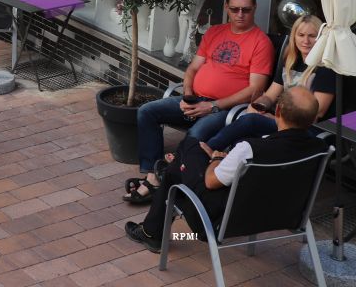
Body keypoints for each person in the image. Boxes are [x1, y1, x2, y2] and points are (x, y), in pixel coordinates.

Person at [124, 86, 328, 252]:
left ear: (277, 111)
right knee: (177, 170)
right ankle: (153, 224)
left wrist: (215, 158)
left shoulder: (250, 150)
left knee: (188, 149)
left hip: (221, 221)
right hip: (281, 216)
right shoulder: (321, 149)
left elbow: (210, 182)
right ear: (312, 119)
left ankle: (153, 228)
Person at [127, 0, 274, 204]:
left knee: (194, 137)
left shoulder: (261, 42)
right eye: (235, 9)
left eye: (246, 9)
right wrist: (188, 95)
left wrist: (213, 106)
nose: (240, 14)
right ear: (226, 8)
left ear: (254, 8)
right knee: (147, 111)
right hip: (196, 100)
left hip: (224, 110)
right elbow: (193, 68)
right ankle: (153, 175)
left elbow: (255, 90)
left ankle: (172, 183)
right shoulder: (214, 32)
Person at [203, 14, 334, 153]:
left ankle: (208, 149)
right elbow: (270, 95)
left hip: (304, 129)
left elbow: (316, 113)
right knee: (241, 141)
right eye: (301, 35)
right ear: (294, 36)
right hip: (281, 121)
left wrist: (276, 118)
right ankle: (218, 160)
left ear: (320, 38)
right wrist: (258, 105)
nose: (306, 41)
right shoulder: (290, 60)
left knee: (250, 121)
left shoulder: (325, 67)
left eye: (312, 36)